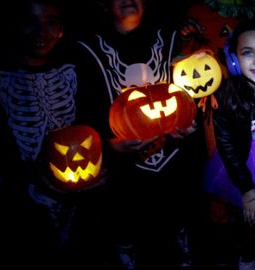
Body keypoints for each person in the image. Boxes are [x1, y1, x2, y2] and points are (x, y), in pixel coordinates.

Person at [71, 0, 207, 269]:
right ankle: (126, 251)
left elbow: (196, 80)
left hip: (173, 157)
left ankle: (182, 245)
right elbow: (82, 111)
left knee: (178, 213)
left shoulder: (170, 37)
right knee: (127, 218)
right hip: (123, 163)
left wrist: (191, 121)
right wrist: (109, 145)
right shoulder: (84, 50)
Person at [0, 0, 95, 268]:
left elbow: (91, 126)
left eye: (51, 22)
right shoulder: (0, 80)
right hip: (24, 204)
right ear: (16, 25)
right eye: (30, 21)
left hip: (79, 198)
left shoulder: (74, 70)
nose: (41, 32)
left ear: (61, 29)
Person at [204, 19, 255, 269]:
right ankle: (247, 256)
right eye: (247, 53)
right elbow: (227, 147)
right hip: (244, 165)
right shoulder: (225, 96)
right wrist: (248, 189)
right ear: (234, 61)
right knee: (246, 217)